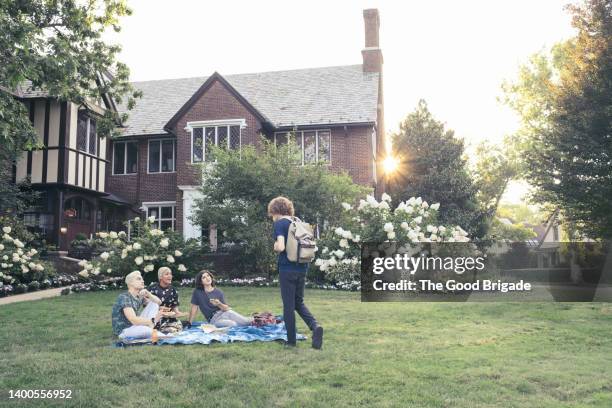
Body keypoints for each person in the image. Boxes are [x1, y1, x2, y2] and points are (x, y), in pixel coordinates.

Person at [268, 196, 323, 349]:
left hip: (287, 269)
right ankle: (315, 326)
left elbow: (281, 246)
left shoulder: (280, 224)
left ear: (275, 211)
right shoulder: (297, 222)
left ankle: (291, 341)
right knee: (298, 302)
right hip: (302, 267)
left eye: (272, 213)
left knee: (288, 305)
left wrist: (275, 246)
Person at [188, 270, 253, 327]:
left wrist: (219, 304)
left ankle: (260, 318)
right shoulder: (197, 292)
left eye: (208, 276)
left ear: (211, 277)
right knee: (233, 324)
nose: (207, 278)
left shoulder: (218, 292)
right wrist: (189, 323)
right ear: (201, 282)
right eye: (204, 277)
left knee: (246, 321)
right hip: (214, 320)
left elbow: (226, 308)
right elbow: (194, 308)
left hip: (224, 313)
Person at [111, 271, 163, 340]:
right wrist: (153, 321)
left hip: (135, 326)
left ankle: (151, 329)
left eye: (142, 279)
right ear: (131, 283)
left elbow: (158, 302)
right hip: (124, 330)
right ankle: (168, 336)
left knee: (154, 303)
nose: (143, 281)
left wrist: (148, 294)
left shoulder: (139, 296)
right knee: (146, 330)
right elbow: (133, 320)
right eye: (139, 279)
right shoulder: (124, 297)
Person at [148, 267, 186, 333]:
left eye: (170, 274)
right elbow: (147, 305)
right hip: (156, 317)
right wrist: (159, 308)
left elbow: (175, 306)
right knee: (172, 331)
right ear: (160, 277)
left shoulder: (173, 290)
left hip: (169, 318)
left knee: (178, 328)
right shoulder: (152, 288)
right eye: (166, 274)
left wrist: (178, 313)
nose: (170, 276)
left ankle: (168, 328)